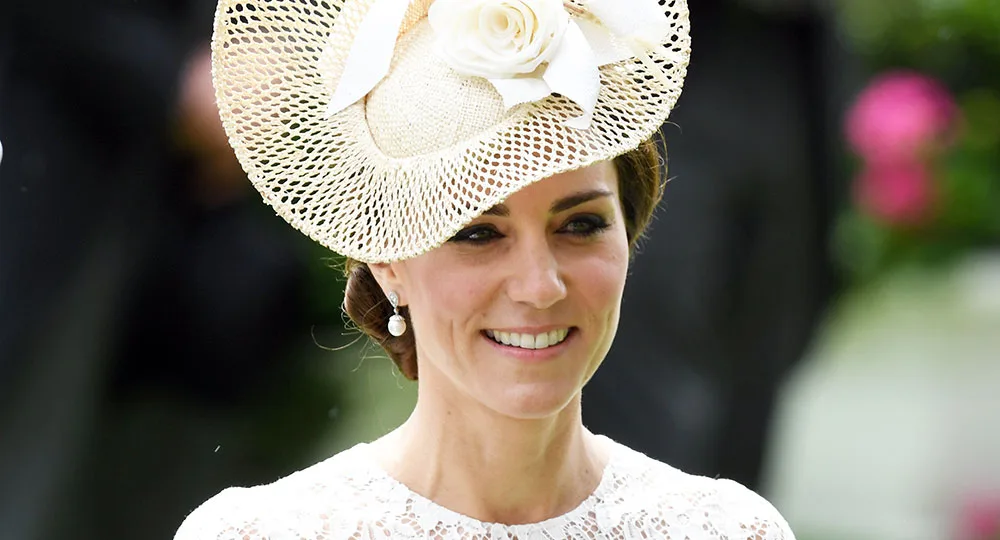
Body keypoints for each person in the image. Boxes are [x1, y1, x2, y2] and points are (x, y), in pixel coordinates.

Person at [175, 0, 795, 537]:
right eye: (477, 233)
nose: (539, 284)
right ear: (386, 259)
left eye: (579, 225)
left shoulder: (728, 530)